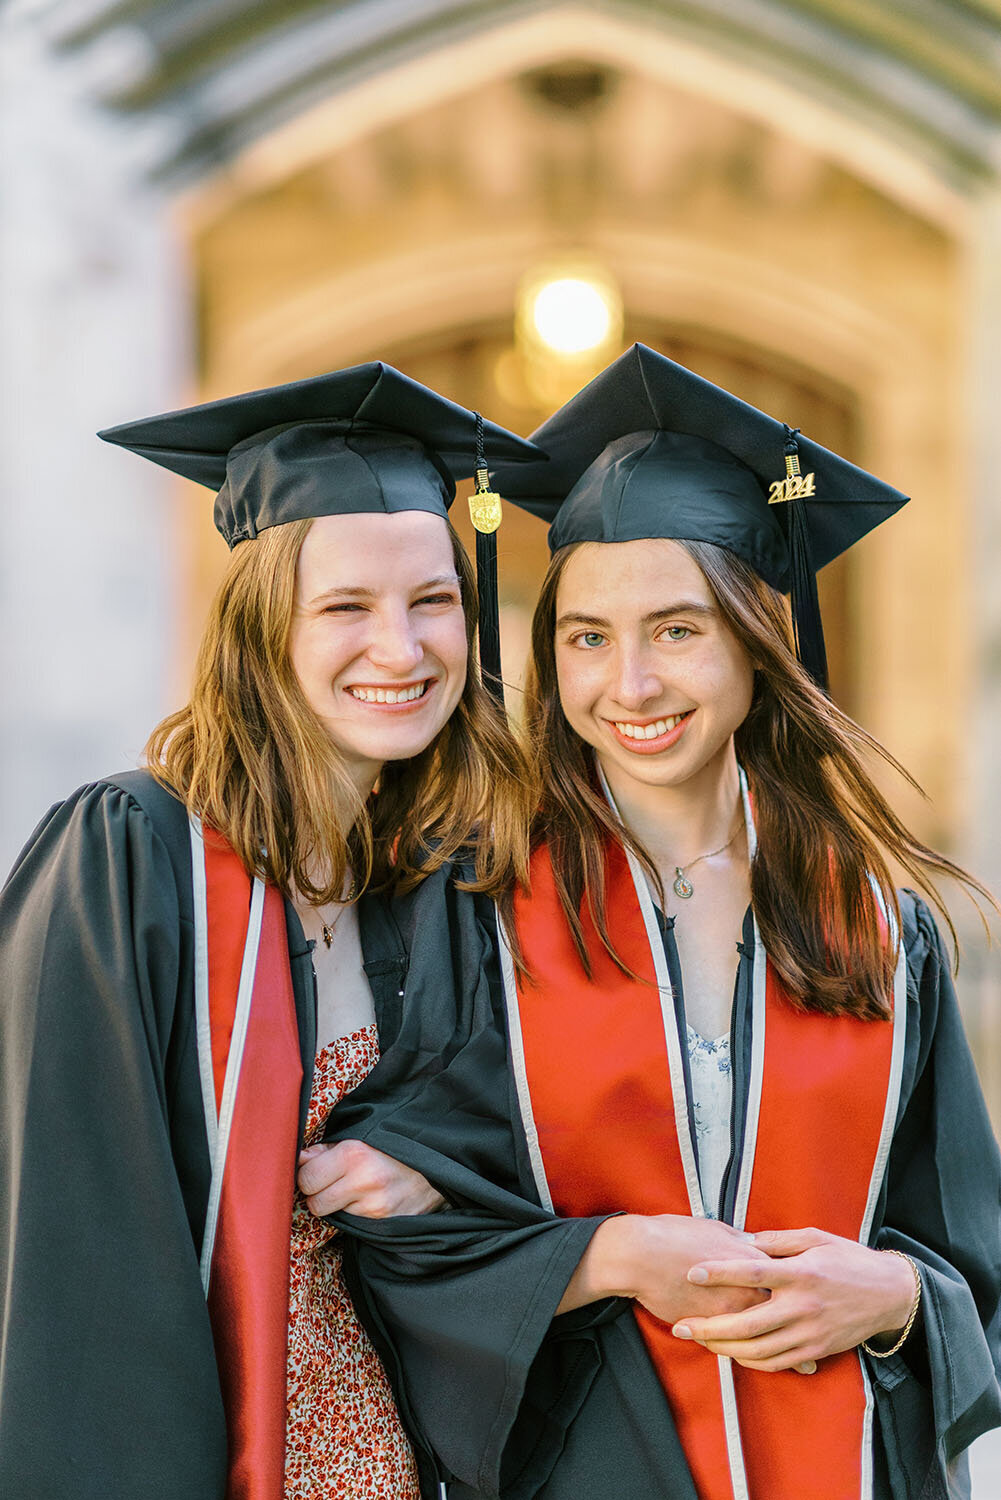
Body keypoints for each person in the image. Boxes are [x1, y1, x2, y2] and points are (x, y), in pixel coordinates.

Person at [307, 345, 1001, 1500]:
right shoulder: (470, 907)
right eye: (586, 637)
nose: (627, 685)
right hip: (593, 1465)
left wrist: (891, 1300)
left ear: (750, 640)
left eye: (675, 630)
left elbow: (967, 1262)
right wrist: (606, 1254)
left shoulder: (879, 926)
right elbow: (389, 1250)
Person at [0, 361, 544, 1500]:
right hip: (201, 1450)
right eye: (345, 606)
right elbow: (58, 1247)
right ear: (262, 630)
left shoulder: (443, 882)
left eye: (432, 601)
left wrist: (434, 1169)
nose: (400, 651)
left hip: (393, 1457)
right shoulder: (130, 857)